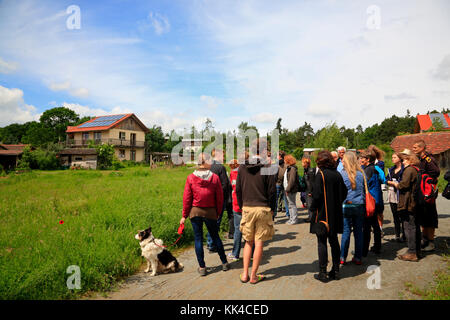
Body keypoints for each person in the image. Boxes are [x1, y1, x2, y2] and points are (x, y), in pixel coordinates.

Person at [180, 153, 229, 276]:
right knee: (215, 236)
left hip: (195, 211)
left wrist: (184, 215)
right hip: (211, 211)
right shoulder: (214, 178)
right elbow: (219, 197)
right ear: (205, 162)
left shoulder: (190, 178)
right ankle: (224, 263)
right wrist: (218, 212)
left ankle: (202, 267)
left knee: (198, 239)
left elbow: (187, 198)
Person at [236, 139, 276, 284]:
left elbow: (238, 190)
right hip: (263, 208)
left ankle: (245, 274)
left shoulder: (241, 167)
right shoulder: (267, 167)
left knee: (248, 242)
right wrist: (272, 209)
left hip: (247, 208)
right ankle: (254, 275)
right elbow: (272, 191)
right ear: (264, 150)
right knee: (259, 243)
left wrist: (242, 206)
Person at [310, 150, 347, 282]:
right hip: (335, 213)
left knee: (322, 242)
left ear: (320, 161)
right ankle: (336, 271)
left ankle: (323, 272)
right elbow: (344, 192)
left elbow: (317, 195)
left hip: (323, 213)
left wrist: (312, 208)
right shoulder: (337, 174)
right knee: (334, 240)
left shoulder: (321, 175)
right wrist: (336, 203)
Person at [387, 149, 421, 261]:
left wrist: (396, 184)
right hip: (414, 201)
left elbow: (403, 185)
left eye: (405, 158)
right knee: (413, 226)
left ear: (410, 159)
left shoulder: (409, 170)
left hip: (408, 202)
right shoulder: (416, 169)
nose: (403, 160)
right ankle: (416, 250)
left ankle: (412, 252)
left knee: (409, 227)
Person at [412, 140, 440, 252]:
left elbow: (436, 172)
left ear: (422, 148)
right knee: (423, 217)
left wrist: (426, 180)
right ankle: (425, 240)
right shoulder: (420, 159)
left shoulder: (429, 160)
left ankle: (431, 242)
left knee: (430, 217)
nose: (413, 149)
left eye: (415, 147)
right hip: (421, 193)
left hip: (427, 193)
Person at [339, 152, 365, 265]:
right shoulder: (361, 174)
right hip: (359, 205)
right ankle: (358, 257)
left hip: (346, 205)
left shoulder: (342, 174)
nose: (342, 161)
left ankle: (342, 257)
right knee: (359, 232)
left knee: (346, 232)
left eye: (343, 160)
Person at [206, 149, 232, 253]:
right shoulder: (220, 167)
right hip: (218, 200)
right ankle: (212, 245)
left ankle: (209, 242)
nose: (224, 158)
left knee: (210, 221)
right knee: (216, 221)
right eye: (223, 155)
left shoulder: (207, 166)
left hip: (207, 199)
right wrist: (224, 199)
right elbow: (225, 185)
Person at [360, 150, 383, 256]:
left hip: (370, 202)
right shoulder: (375, 168)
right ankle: (377, 246)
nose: (360, 160)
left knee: (366, 227)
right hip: (376, 200)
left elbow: (364, 185)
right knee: (375, 225)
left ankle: (364, 250)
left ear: (368, 159)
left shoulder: (368, 170)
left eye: (362, 158)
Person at [386, 152, 406, 242]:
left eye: (394, 157)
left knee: (402, 215)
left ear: (400, 158)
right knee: (395, 215)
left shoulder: (404, 169)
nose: (392, 159)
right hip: (392, 193)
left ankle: (405, 235)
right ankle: (397, 235)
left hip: (401, 193)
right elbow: (386, 180)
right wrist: (392, 183)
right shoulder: (391, 169)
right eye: (392, 157)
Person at [368, 145, 386, 236]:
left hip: (377, 189)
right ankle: (374, 227)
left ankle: (380, 228)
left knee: (379, 211)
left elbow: (382, 177)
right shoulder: (366, 164)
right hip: (370, 190)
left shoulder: (380, 164)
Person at [227, 159, 242, 262]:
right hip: (247, 203)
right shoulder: (245, 172)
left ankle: (235, 253)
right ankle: (252, 252)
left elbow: (232, 187)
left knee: (238, 229)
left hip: (236, 203)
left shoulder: (233, 173)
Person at [284, 155, 301, 225]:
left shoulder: (292, 169)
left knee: (292, 204)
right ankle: (291, 218)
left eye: (285, 160)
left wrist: (288, 189)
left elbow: (292, 180)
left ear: (288, 160)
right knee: (290, 204)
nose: (284, 161)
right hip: (288, 189)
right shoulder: (289, 168)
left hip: (291, 189)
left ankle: (294, 219)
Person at [302, 157, 316, 222]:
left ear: (306, 163)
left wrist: (310, 192)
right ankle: (310, 216)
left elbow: (311, 182)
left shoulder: (310, 171)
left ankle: (312, 218)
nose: (302, 164)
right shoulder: (305, 170)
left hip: (310, 190)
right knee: (308, 204)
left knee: (310, 204)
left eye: (303, 163)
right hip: (307, 190)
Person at [275, 151, 289, 218]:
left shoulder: (276, 164)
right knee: (285, 199)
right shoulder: (286, 164)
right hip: (284, 182)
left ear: (280, 156)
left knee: (275, 199)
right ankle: (288, 213)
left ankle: (274, 214)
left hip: (278, 182)